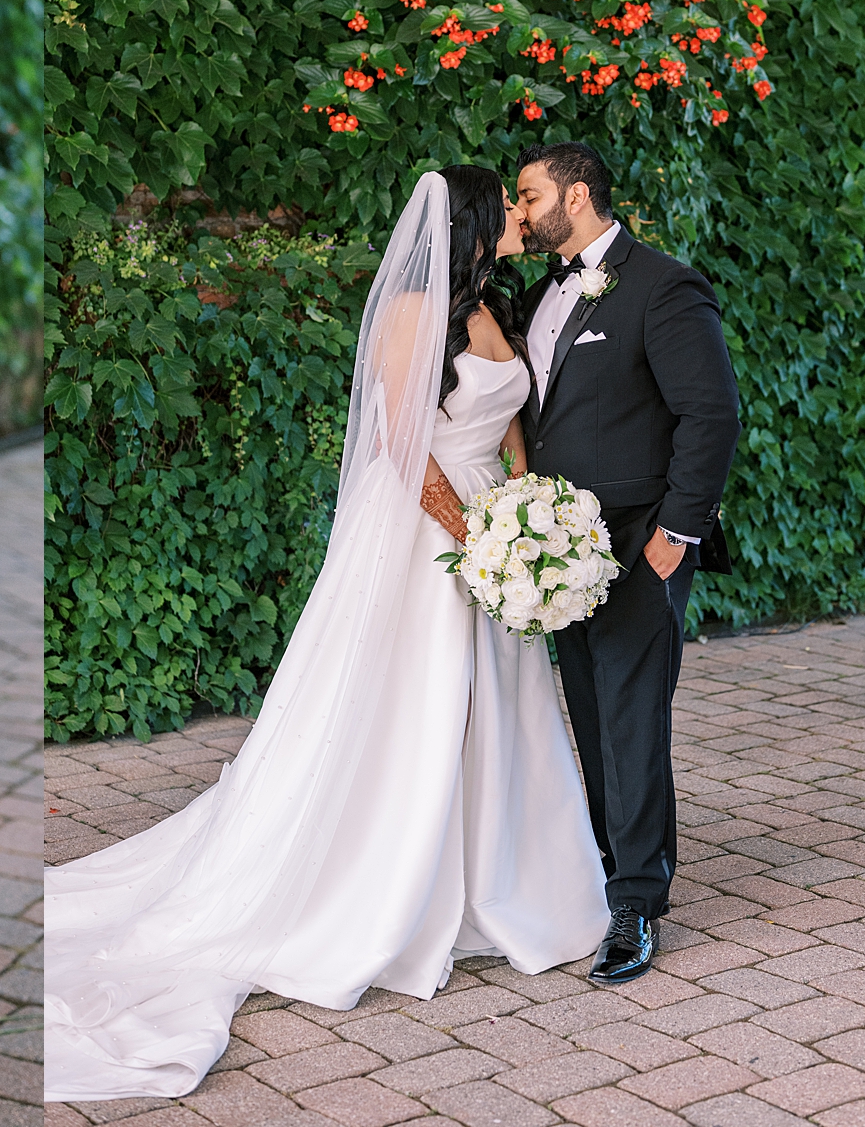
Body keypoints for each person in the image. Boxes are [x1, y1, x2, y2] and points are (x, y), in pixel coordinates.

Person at [43, 166, 607, 1103]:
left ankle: (500, 887)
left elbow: (510, 421)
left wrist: (524, 515)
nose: (519, 213)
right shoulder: (409, 314)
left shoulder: (493, 307)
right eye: (506, 204)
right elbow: (398, 441)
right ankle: (390, 889)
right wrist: (477, 543)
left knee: (496, 714)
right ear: (472, 219)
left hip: (498, 529)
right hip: (428, 538)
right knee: (412, 712)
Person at [514, 140, 740, 984]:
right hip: (559, 556)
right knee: (591, 715)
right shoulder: (539, 293)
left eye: (530, 196)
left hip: (641, 545)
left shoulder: (662, 284)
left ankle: (637, 905)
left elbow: (711, 416)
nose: (522, 211)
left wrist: (671, 538)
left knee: (632, 721)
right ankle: (614, 873)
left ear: (576, 196)